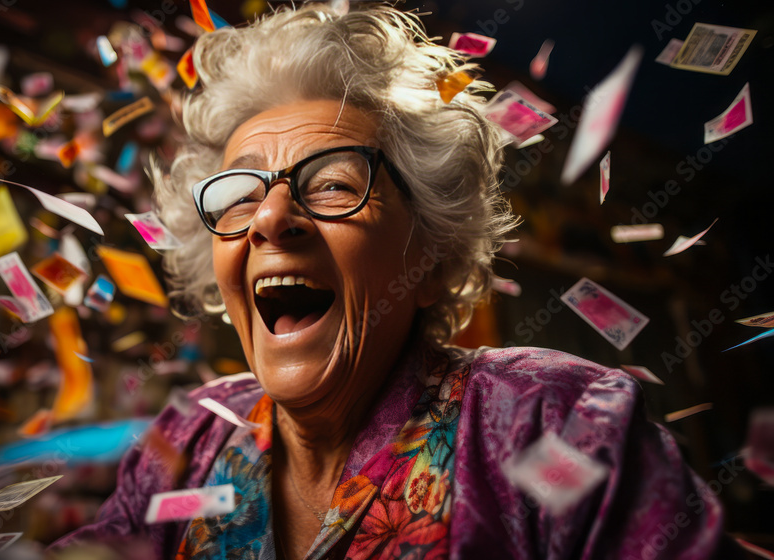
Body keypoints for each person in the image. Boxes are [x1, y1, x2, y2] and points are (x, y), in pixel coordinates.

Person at [53, 5, 743, 559]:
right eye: (240, 194)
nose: (269, 217)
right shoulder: (189, 440)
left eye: (331, 184)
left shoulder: (556, 422)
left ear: (432, 261)